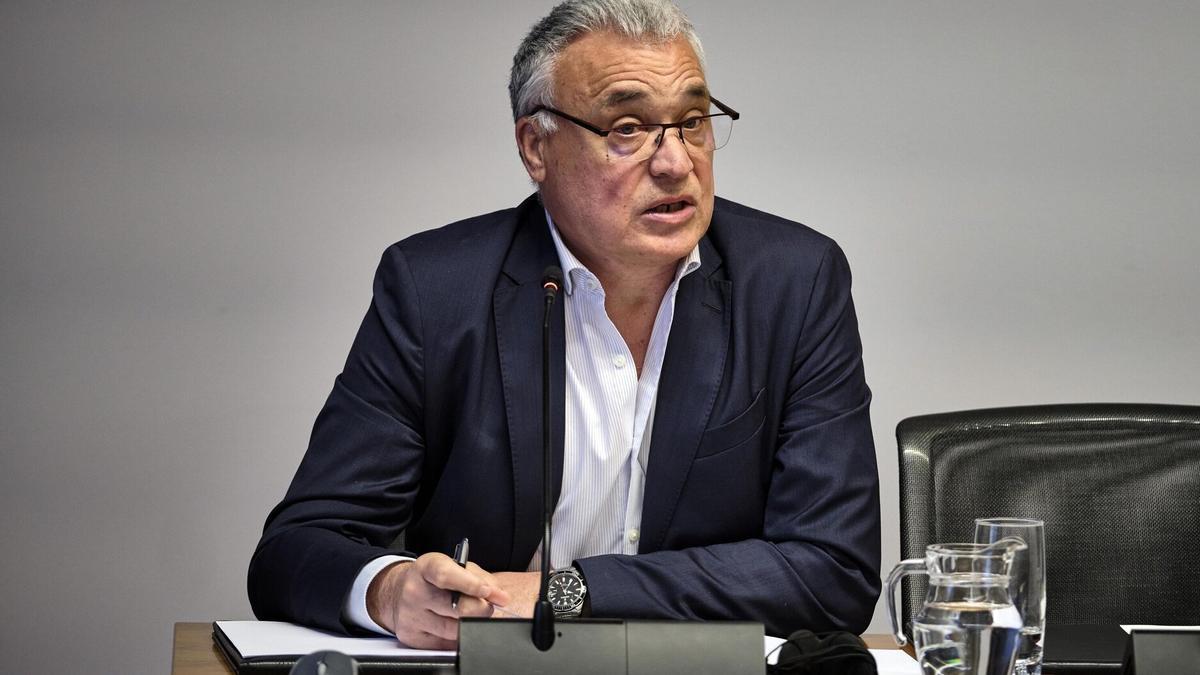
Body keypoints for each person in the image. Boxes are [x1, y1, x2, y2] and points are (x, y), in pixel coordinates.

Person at [248, 0, 880, 649]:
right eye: (628, 127)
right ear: (536, 146)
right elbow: (296, 548)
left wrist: (567, 592)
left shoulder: (794, 283)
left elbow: (834, 568)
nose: (675, 162)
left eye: (693, 122)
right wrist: (389, 589)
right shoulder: (435, 291)